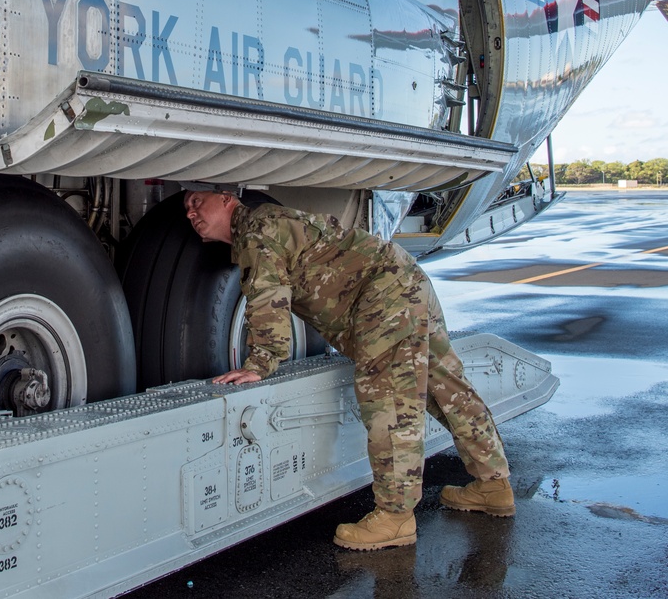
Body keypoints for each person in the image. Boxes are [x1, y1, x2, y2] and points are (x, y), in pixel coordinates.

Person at [182, 184, 515, 551]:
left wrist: (262, 361)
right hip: (402, 282)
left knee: (389, 400)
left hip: (382, 296)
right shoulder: (266, 225)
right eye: (187, 208)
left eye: (197, 201)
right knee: (446, 388)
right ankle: (493, 485)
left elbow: (268, 295)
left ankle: (395, 516)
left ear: (227, 198)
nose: (191, 212)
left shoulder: (257, 229)